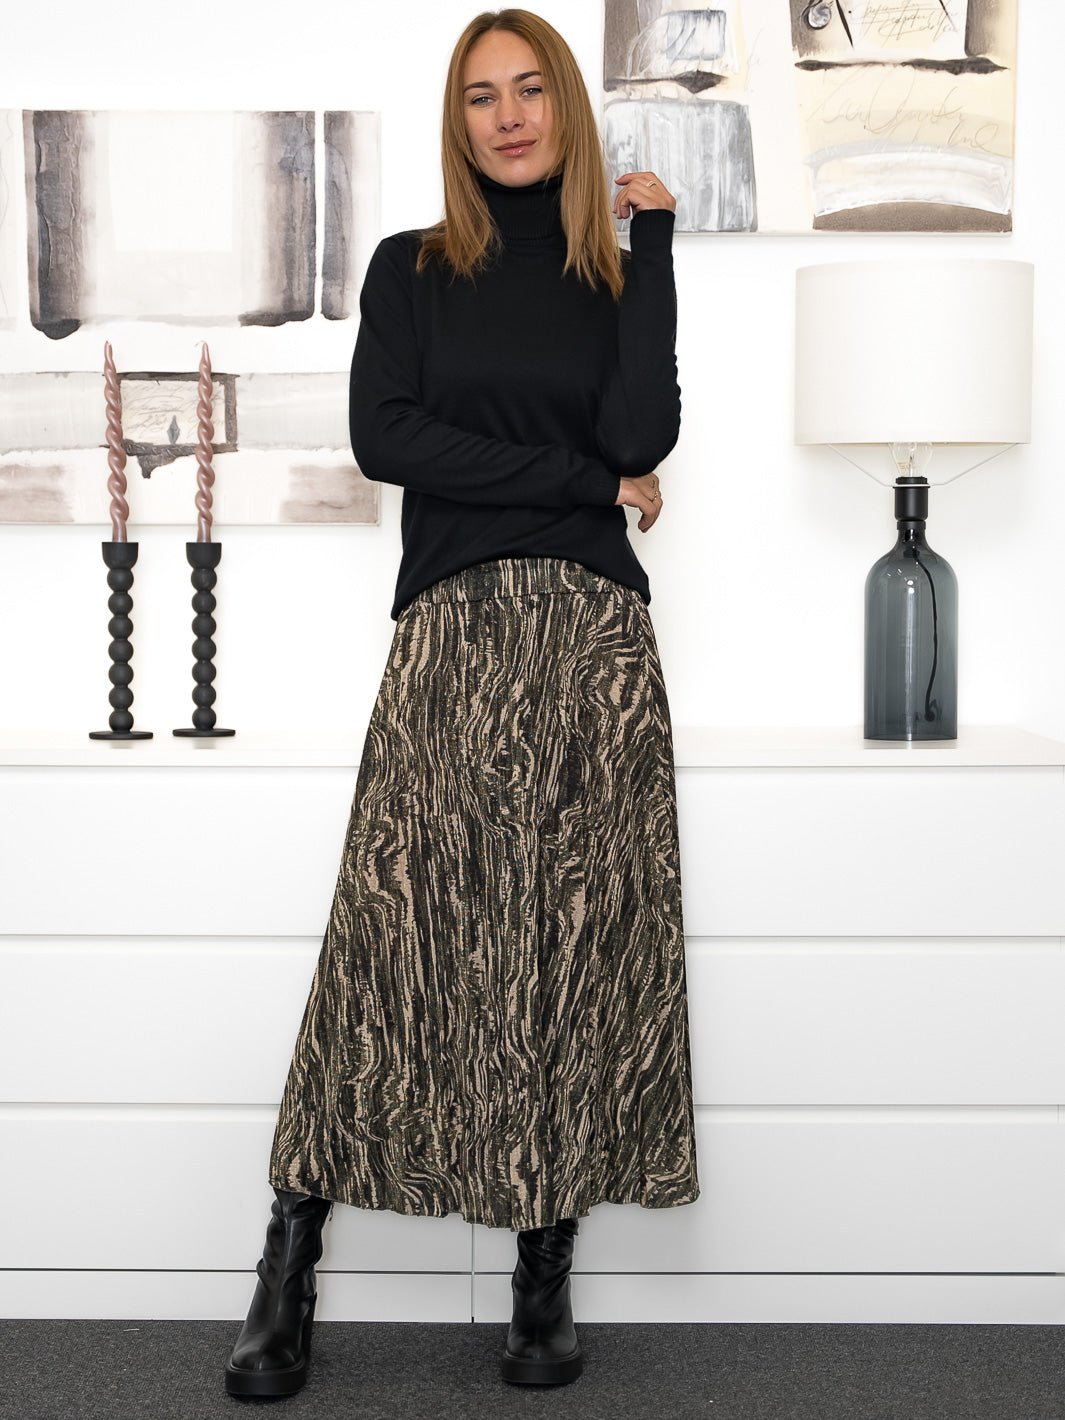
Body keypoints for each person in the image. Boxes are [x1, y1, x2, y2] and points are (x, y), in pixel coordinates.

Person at [224, 6, 699, 1398]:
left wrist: (656, 252)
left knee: (574, 946)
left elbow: (642, 432)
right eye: (482, 96)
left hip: (596, 644)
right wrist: (581, 483)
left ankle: (544, 1274)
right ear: (460, 121)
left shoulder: (614, 272)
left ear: (565, 108)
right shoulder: (413, 269)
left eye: (529, 89)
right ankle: (288, 1260)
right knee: (389, 942)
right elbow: (389, 439)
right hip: (451, 628)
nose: (508, 116)